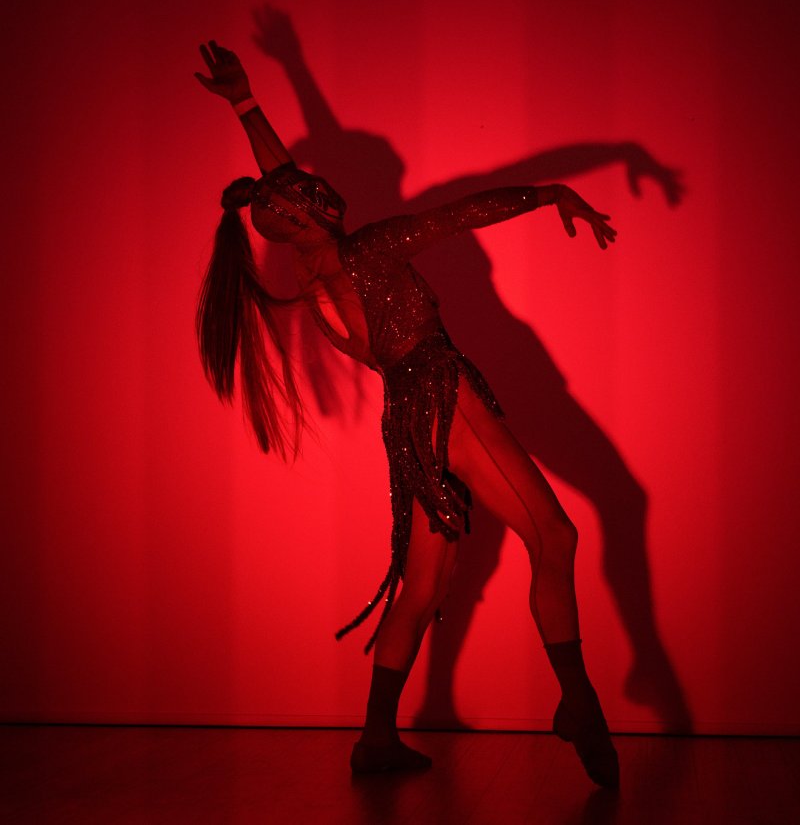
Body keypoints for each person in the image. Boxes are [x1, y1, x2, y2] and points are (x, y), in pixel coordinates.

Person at [194, 40, 620, 788]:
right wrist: (552, 192)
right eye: (304, 196)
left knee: (424, 587)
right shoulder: (370, 249)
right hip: (439, 391)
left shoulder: (312, 269)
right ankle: (578, 702)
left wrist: (248, 101)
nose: (316, 190)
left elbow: (277, 182)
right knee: (555, 535)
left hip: (405, 417)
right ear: (301, 216)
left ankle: (376, 738)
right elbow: (465, 210)